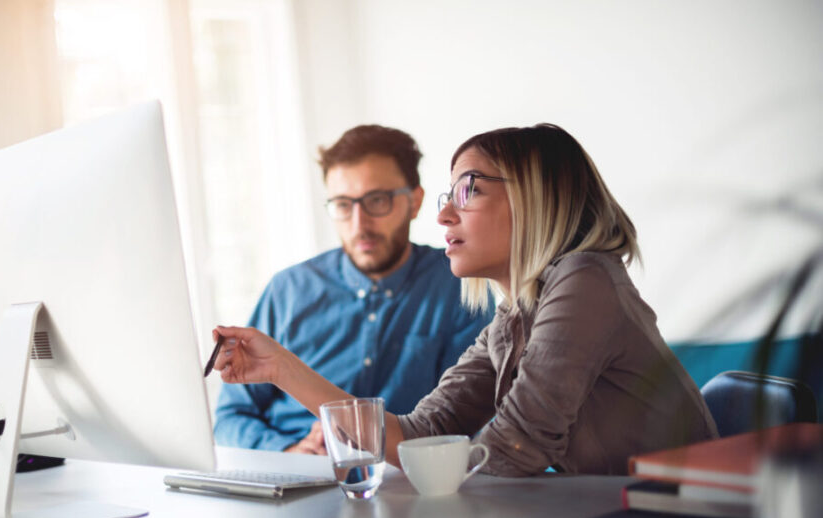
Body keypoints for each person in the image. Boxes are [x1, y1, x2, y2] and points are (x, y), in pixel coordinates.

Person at [211, 124, 719, 475]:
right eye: (447, 195)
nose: (445, 216)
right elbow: (415, 434)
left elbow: (515, 447)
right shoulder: (514, 316)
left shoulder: (585, 279)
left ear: (535, 196)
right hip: (616, 517)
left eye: (469, 190)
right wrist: (279, 367)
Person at [214, 124, 493, 454]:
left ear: (414, 202)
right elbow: (230, 418)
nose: (360, 224)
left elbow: (468, 423)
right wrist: (289, 451)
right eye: (343, 205)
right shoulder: (287, 290)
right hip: (292, 473)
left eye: (377, 200)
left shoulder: (459, 288)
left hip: (400, 476)